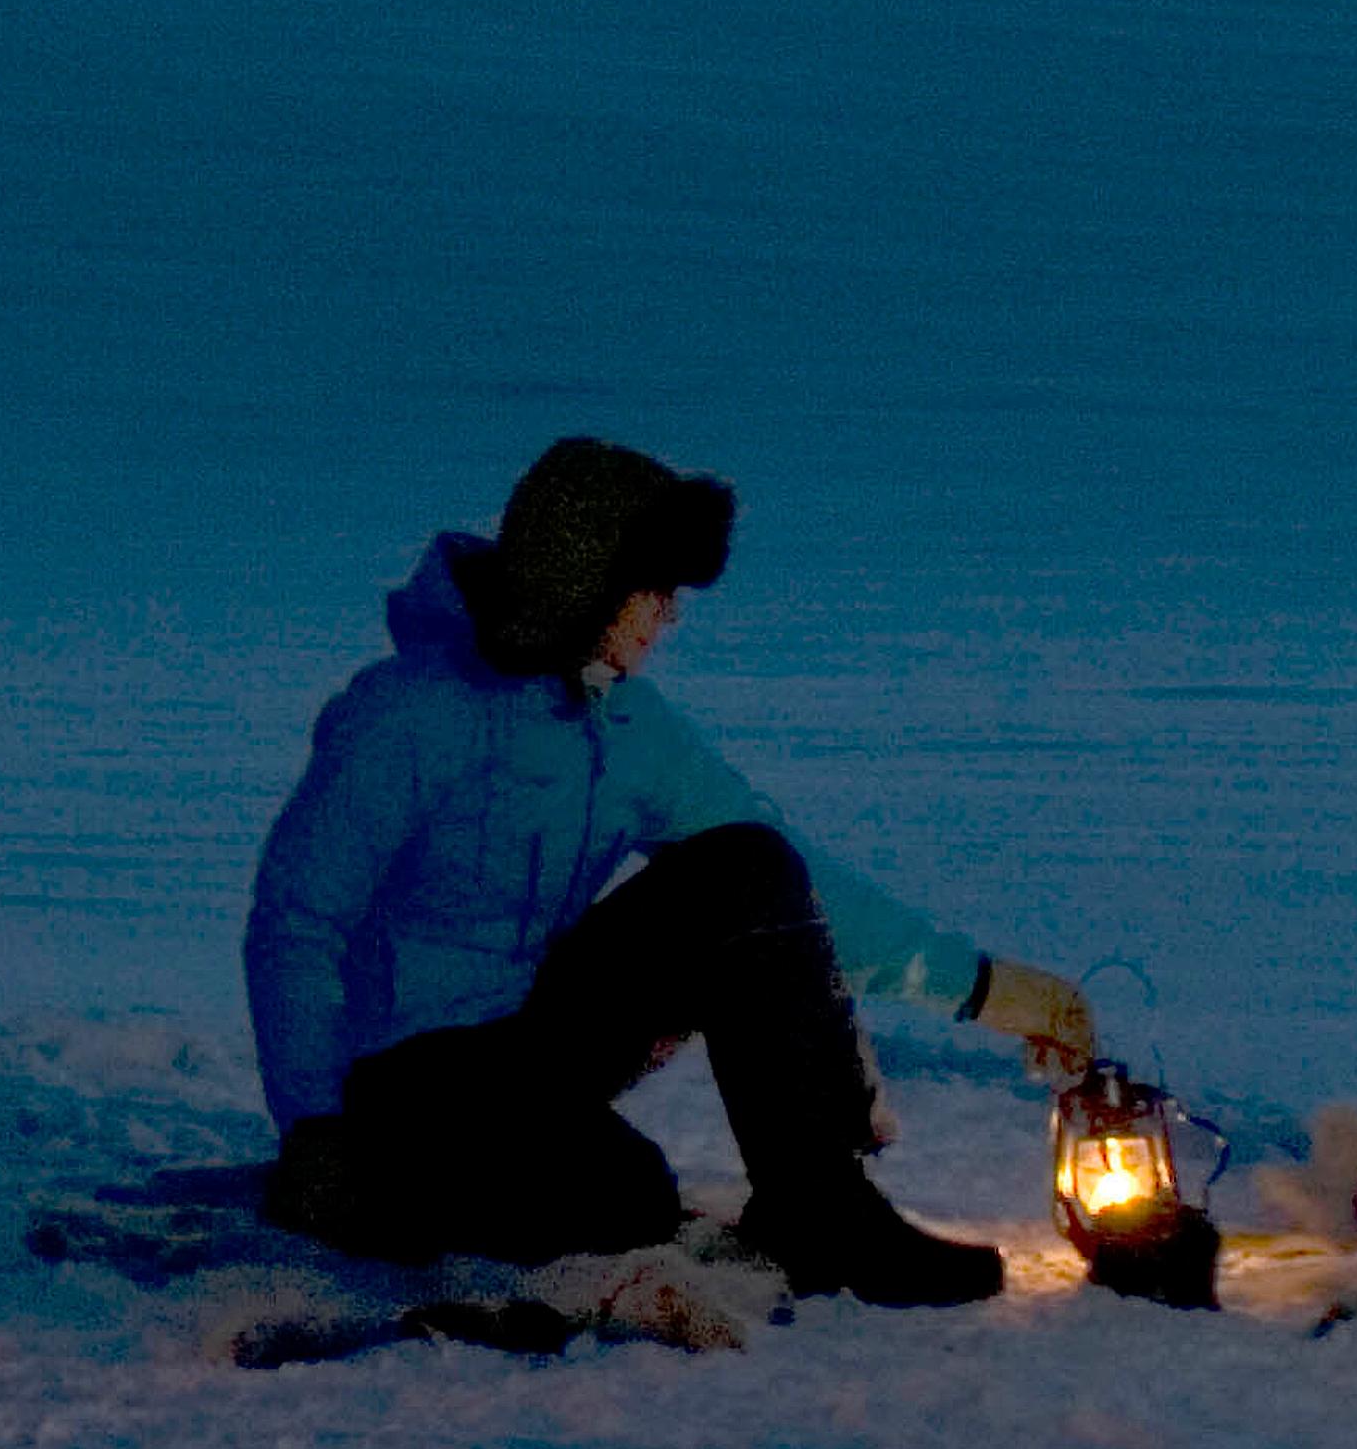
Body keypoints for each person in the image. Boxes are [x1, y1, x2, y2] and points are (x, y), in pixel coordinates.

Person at [245, 435, 1090, 1307]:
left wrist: (988, 989)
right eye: (655, 591)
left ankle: (819, 1209)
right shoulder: (407, 715)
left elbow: (792, 895)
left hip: (530, 1041)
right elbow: (295, 921)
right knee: (625, 1197)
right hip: (403, 1076)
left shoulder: (624, 723)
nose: (670, 616)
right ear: (586, 582)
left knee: (747, 867)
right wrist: (317, 1134)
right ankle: (411, 1190)